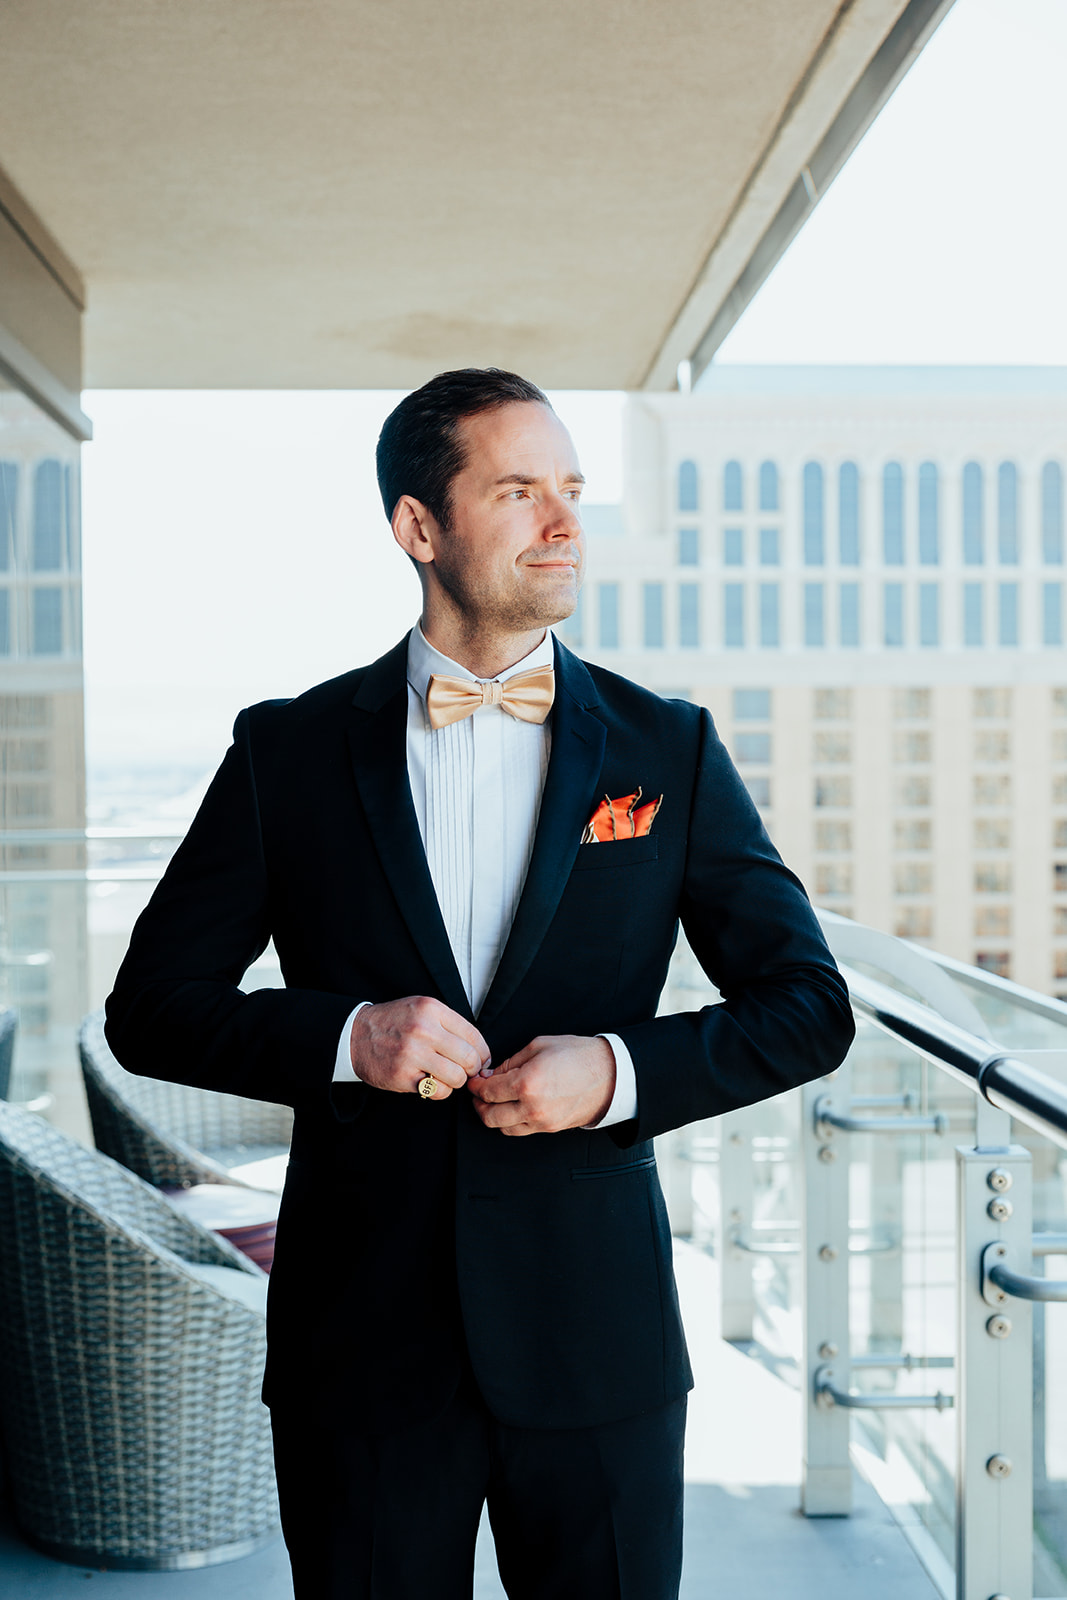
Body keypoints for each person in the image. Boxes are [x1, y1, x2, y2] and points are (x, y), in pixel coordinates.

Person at [105, 367, 855, 1599]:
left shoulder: (668, 747)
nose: (565, 523)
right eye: (519, 491)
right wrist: (351, 1036)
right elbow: (151, 1009)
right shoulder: (285, 751)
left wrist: (614, 1072)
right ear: (419, 527)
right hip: (362, 1346)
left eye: (571, 489)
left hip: (596, 1342)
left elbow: (807, 1007)